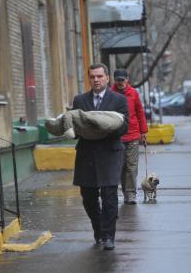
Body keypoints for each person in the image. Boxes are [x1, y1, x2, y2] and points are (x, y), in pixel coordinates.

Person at [72, 63, 129, 250]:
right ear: (89, 79)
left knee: (109, 195)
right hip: (86, 153)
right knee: (88, 197)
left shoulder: (119, 100)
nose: (96, 80)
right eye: (92, 77)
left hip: (110, 152)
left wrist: (106, 127)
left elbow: (124, 126)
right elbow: (76, 126)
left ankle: (109, 236)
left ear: (107, 78)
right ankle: (98, 230)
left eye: (99, 76)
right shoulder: (79, 100)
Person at [111, 68, 148, 205]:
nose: (120, 82)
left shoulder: (133, 93)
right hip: (116, 135)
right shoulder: (110, 94)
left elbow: (140, 111)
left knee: (131, 166)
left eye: (123, 80)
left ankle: (130, 194)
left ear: (127, 80)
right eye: (118, 80)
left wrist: (143, 131)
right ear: (114, 80)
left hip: (133, 134)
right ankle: (126, 190)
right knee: (121, 166)